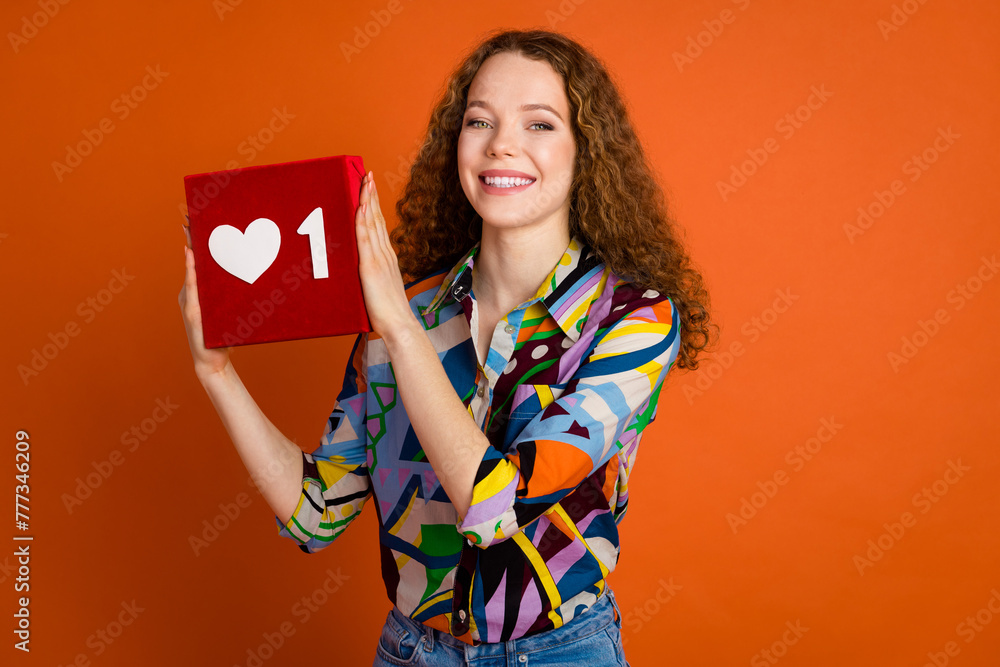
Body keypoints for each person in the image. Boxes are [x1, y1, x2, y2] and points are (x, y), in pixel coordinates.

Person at [179, 28, 713, 667]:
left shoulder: (631, 319)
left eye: (539, 125)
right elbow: (316, 512)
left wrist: (402, 331)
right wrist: (216, 372)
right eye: (479, 121)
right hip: (411, 651)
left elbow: (495, 501)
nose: (502, 145)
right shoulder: (400, 317)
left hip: (561, 653)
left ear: (586, 152)